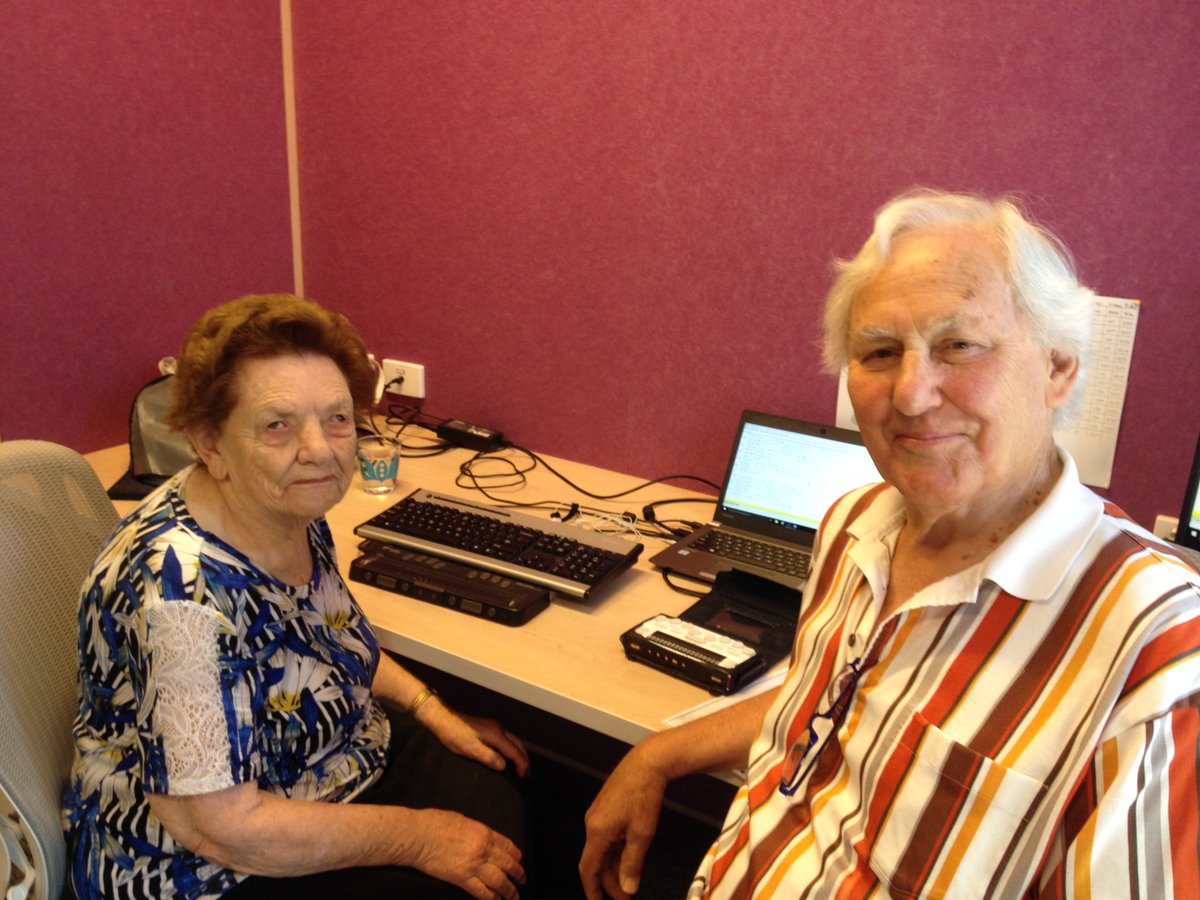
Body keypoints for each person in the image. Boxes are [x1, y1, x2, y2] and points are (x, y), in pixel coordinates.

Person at [579, 190, 1200, 898]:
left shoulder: (1160, 649)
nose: (910, 394)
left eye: (959, 345)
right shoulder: (854, 523)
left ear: (1058, 368)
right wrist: (660, 753)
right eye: (879, 351)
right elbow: (834, 698)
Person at [64, 294, 530, 900]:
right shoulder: (179, 601)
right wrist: (417, 837)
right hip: (209, 866)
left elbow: (323, 637)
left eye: (338, 419)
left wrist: (431, 709)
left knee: (498, 791)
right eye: (278, 424)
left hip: (325, 764)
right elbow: (221, 828)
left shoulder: (284, 503)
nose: (320, 449)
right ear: (210, 444)